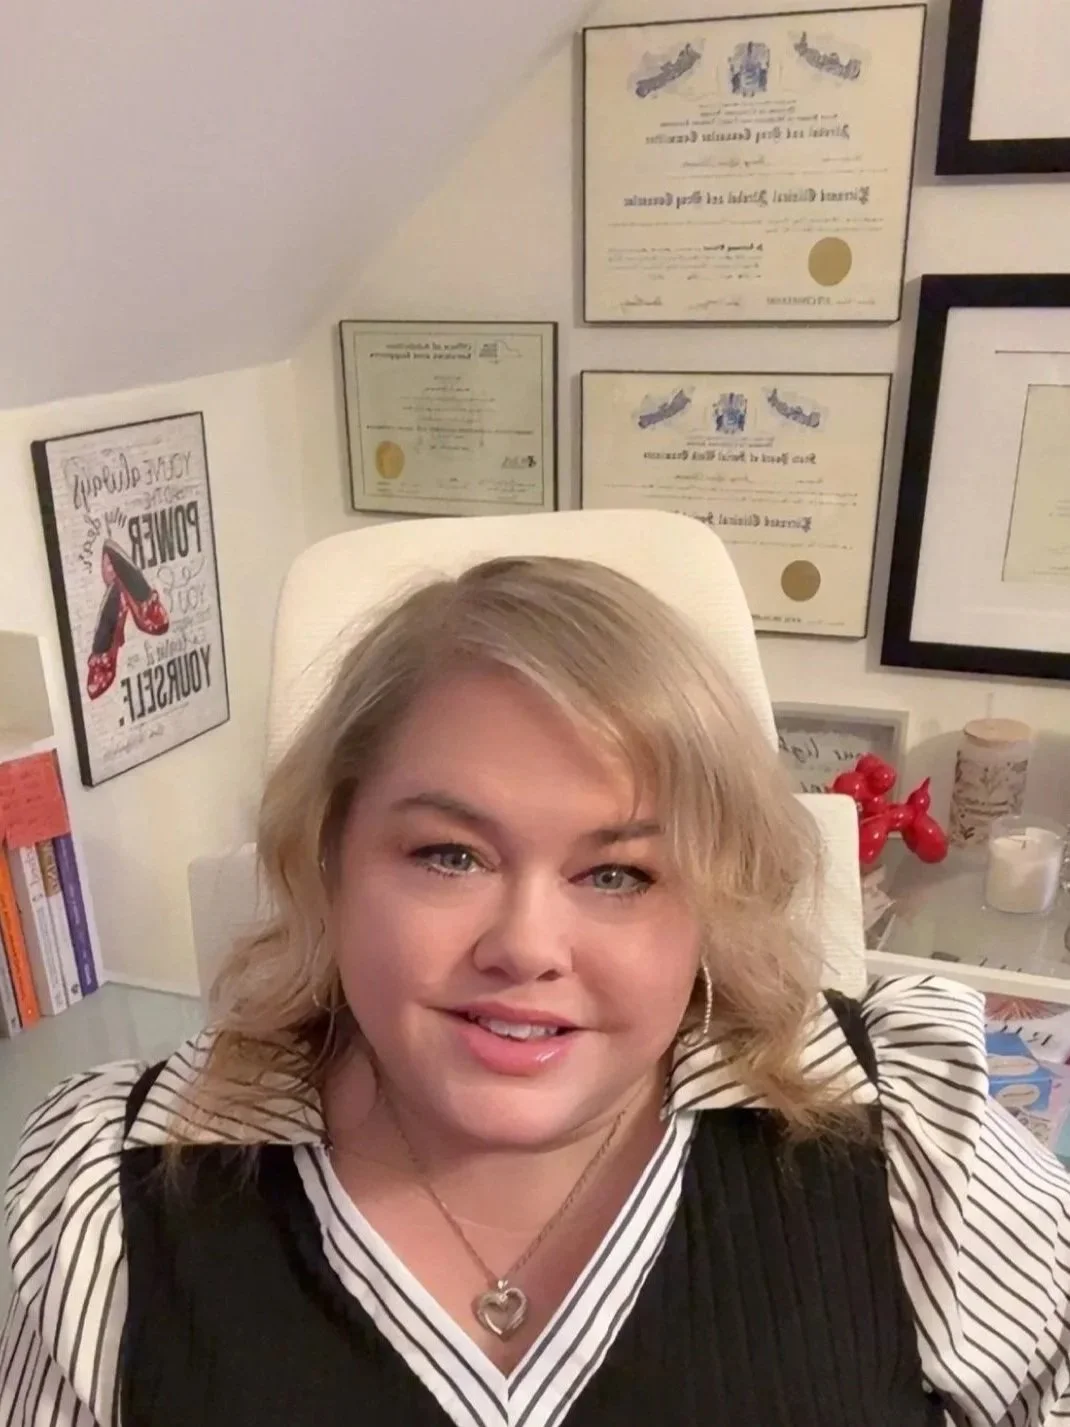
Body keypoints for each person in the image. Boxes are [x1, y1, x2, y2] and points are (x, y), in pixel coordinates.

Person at [3, 554, 1069, 1427]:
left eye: (617, 873)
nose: (524, 946)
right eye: (448, 854)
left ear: (712, 902)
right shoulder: (111, 1197)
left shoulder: (915, 1141)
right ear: (329, 856)